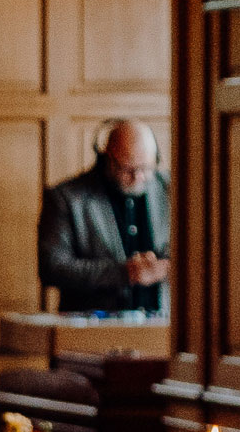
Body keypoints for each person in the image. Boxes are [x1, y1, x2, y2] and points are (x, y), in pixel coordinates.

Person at [40, 120, 171, 313]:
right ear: (106, 158)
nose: (138, 177)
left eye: (146, 168)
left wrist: (166, 267)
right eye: (128, 169)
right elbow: (51, 268)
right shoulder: (66, 198)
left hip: (164, 326)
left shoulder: (171, 189)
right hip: (92, 329)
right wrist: (124, 273)